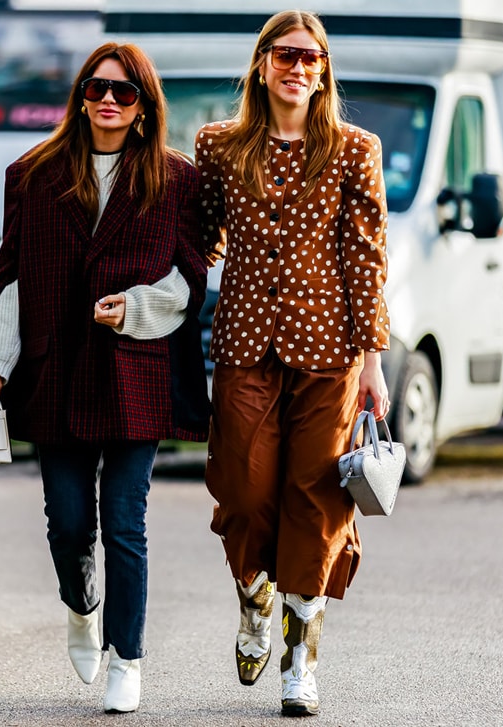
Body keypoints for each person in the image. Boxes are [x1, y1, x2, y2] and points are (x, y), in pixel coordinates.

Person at [0, 43, 208, 714]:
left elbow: (189, 278)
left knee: (124, 524)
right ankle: (81, 606)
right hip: (56, 370)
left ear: (142, 108)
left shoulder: (176, 181)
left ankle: (127, 659)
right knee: (69, 524)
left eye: (125, 92)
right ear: (80, 96)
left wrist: (136, 307)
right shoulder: (31, 176)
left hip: (135, 371)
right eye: (97, 87)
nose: (109, 99)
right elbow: (11, 277)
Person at [194, 10, 391, 718]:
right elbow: (200, 238)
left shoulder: (352, 149)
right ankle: (254, 595)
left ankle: (300, 653)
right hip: (246, 340)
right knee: (244, 490)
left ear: (324, 70)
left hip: (332, 352)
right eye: (286, 54)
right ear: (262, 63)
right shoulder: (219, 145)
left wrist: (372, 361)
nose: (298, 67)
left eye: (311, 57)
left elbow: (366, 258)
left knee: (317, 495)